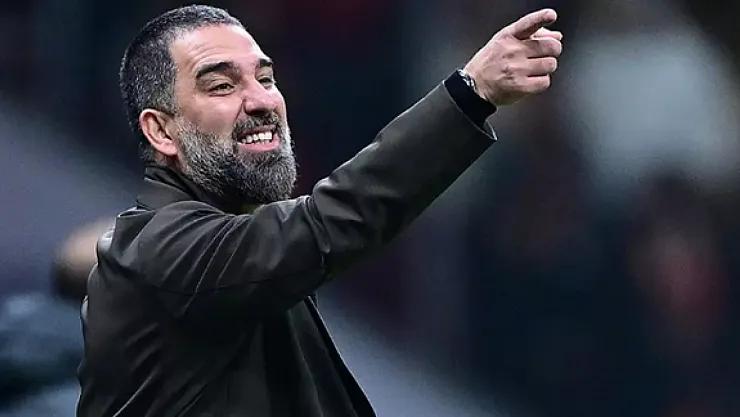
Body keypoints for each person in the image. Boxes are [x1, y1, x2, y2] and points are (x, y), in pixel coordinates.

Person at [77, 4, 563, 416]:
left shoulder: (237, 254)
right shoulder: (159, 249)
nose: (261, 100)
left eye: (265, 78)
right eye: (222, 86)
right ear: (161, 131)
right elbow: (331, 221)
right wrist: (470, 94)